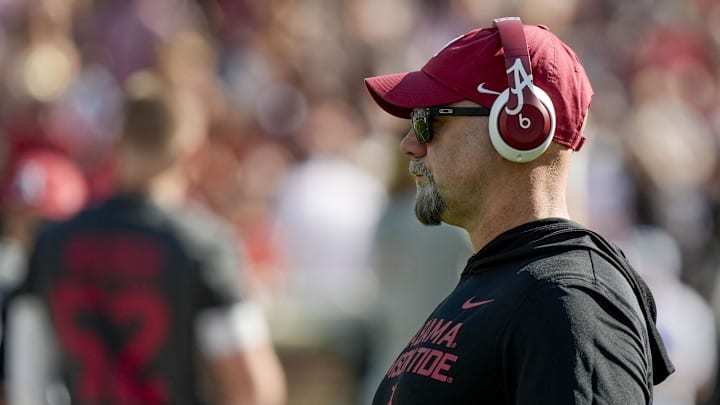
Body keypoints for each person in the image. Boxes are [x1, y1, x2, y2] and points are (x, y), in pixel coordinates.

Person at [362, 16, 675, 404]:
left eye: (428, 119)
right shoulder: (508, 281)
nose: (410, 144)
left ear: (519, 124)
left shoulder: (569, 300)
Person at [4, 73, 287, 405]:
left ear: (116, 146)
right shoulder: (201, 246)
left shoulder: (52, 244)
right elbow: (253, 387)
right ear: (191, 154)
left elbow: (26, 388)